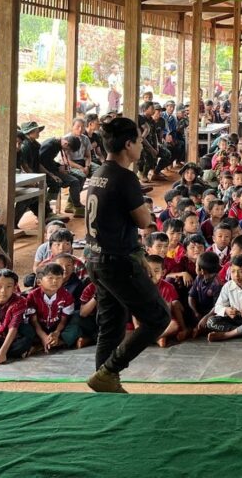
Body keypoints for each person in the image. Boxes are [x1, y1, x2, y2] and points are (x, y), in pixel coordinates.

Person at [84, 117, 171, 394]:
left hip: (95, 257)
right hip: (117, 261)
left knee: (111, 324)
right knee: (158, 317)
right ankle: (110, 370)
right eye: (139, 139)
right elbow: (144, 220)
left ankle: (105, 381)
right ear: (128, 144)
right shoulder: (125, 177)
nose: (143, 144)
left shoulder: (99, 172)